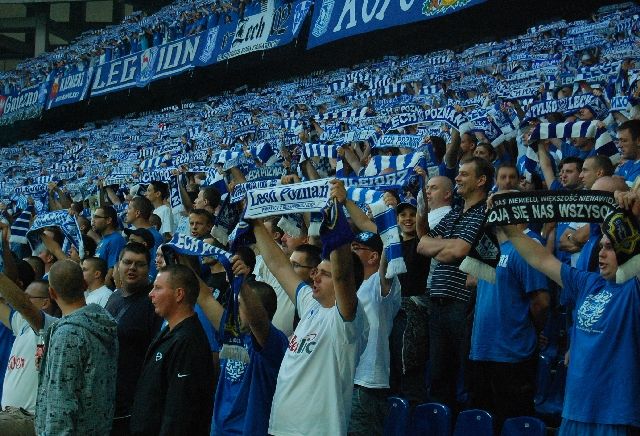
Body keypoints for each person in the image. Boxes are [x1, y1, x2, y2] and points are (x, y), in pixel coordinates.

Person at [500, 207, 640, 436]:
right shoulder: (589, 283)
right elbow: (541, 258)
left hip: (614, 414)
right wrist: (508, 226)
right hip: (575, 409)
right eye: (601, 246)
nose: (601, 254)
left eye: (610, 247)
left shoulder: (633, 289)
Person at [253, 190, 368, 435]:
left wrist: (335, 214)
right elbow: (278, 265)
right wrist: (254, 223)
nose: (314, 275)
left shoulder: (347, 319)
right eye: (315, 271)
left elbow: (343, 273)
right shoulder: (311, 306)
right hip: (281, 427)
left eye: (323, 273)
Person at [417, 156, 494, 410]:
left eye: (463, 174)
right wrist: (447, 246)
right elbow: (423, 244)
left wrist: (445, 247)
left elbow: (458, 250)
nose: (457, 178)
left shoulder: (485, 211)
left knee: (468, 380)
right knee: (439, 381)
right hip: (438, 305)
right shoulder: (456, 213)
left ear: (481, 180)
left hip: (464, 305)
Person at [469, 222, 550, 430]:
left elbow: (541, 301)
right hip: (482, 350)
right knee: (484, 423)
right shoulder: (488, 249)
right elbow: (470, 282)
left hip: (512, 353)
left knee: (513, 422)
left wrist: (533, 330)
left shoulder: (525, 249)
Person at [196, 256, 288, 435]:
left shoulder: (273, 343)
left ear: (258, 308)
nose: (233, 309)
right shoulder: (232, 333)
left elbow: (258, 321)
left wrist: (241, 283)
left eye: (239, 305)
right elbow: (205, 298)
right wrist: (181, 257)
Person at [34, 260, 118, 435]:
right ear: (85, 285)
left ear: (51, 292)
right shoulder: (102, 322)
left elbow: (61, 403)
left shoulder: (68, 334)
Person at [130, 264, 215, 435]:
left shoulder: (188, 341)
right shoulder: (170, 331)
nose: (150, 294)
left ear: (179, 294)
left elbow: (180, 411)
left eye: (158, 288)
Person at [105, 242, 163, 435]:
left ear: (149, 268)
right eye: (127, 262)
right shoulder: (114, 298)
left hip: (134, 404)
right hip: (107, 397)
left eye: (139, 264)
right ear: (118, 265)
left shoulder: (154, 302)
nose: (132, 268)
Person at [349, 231, 401, 435]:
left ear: (373, 257)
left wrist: (389, 231)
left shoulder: (383, 284)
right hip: (345, 380)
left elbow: (386, 268)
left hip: (365, 384)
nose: (350, 252)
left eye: (356, 248)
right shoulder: (349, 288)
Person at [0, 277, 57, 435]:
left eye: (27, 297)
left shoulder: (51, 326)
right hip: (9, 415)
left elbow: (24, 307)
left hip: (28, 418)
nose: (18, 303)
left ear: (45, 303)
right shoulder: (22, 325)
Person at [93, 206, 127, 285]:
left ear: (108, 220)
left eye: (97, 217)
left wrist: (103, 290)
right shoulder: (103, 240)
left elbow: (112, 270)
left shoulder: (116, 240)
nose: (93, 220)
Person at [614, 119, 640, 187]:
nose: (619, 145)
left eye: (624, 141)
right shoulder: (627, 164)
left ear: (639, 141)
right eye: (619, 141)